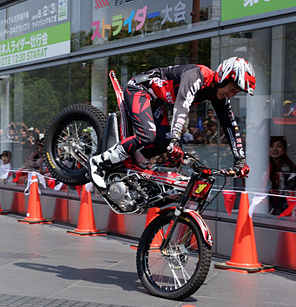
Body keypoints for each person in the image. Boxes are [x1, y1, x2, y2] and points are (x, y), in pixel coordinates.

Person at [89, 58, 255, 189]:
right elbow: (182, 106)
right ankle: (99, 162)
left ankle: (130, 167)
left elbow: (229, 125)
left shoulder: (217, 94)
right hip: (140, 89)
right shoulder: (197, 76)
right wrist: (176, 139)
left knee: (163, 142)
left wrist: (239, 160)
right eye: (232, 89)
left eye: (236, 92)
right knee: (147, 136)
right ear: (223, 77)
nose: (232, 95)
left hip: (156, 101)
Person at [268, 136, 296, 216]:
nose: (274, 149)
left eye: (279, 146)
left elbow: (283, 192)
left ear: (284, 150)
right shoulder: (269, 166)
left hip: (287, 206)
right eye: (272, 146)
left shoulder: (286, 167)